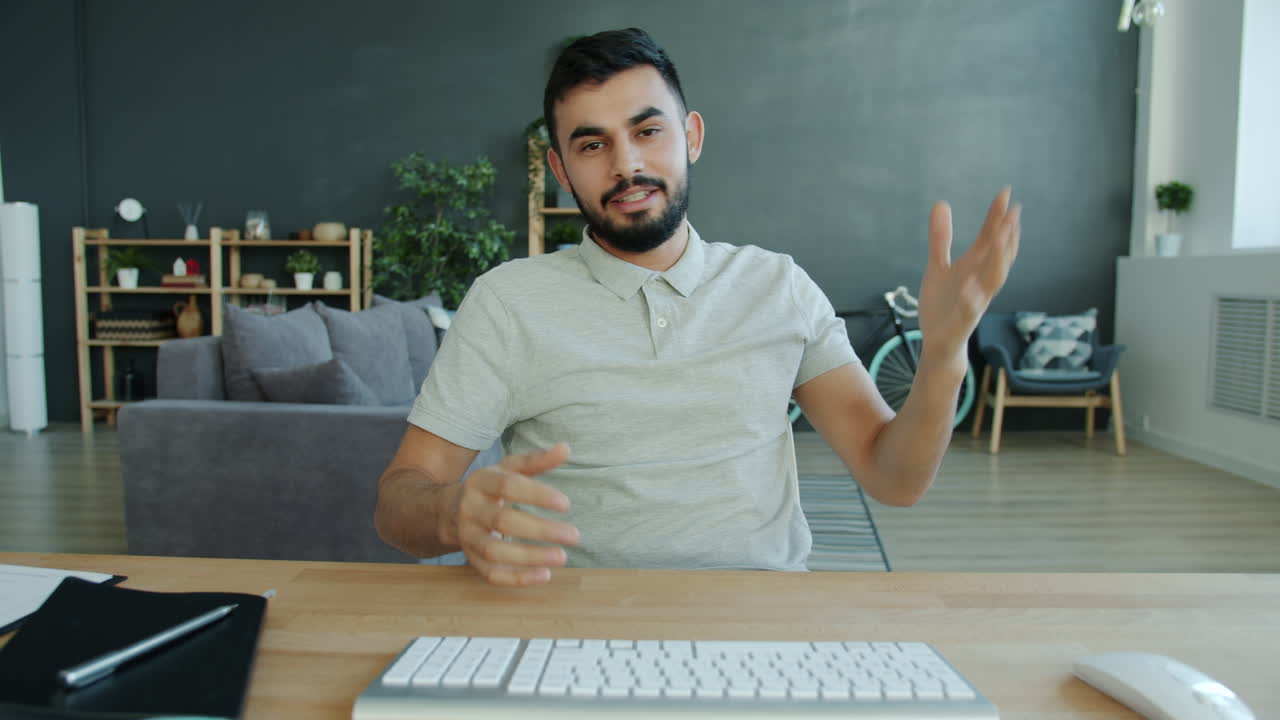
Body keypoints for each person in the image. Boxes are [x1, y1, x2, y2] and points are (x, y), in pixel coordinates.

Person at [375, 28, 1020, 586]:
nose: (627, 166)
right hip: (574, 629)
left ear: (692, 136)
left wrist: (941, 355)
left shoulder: (779, 288)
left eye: (648, 131)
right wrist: (450, 513)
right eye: (592, 145)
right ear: (561, 170)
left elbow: (894, 478)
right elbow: (397, 502)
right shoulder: (506, 303)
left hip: (759, 627)